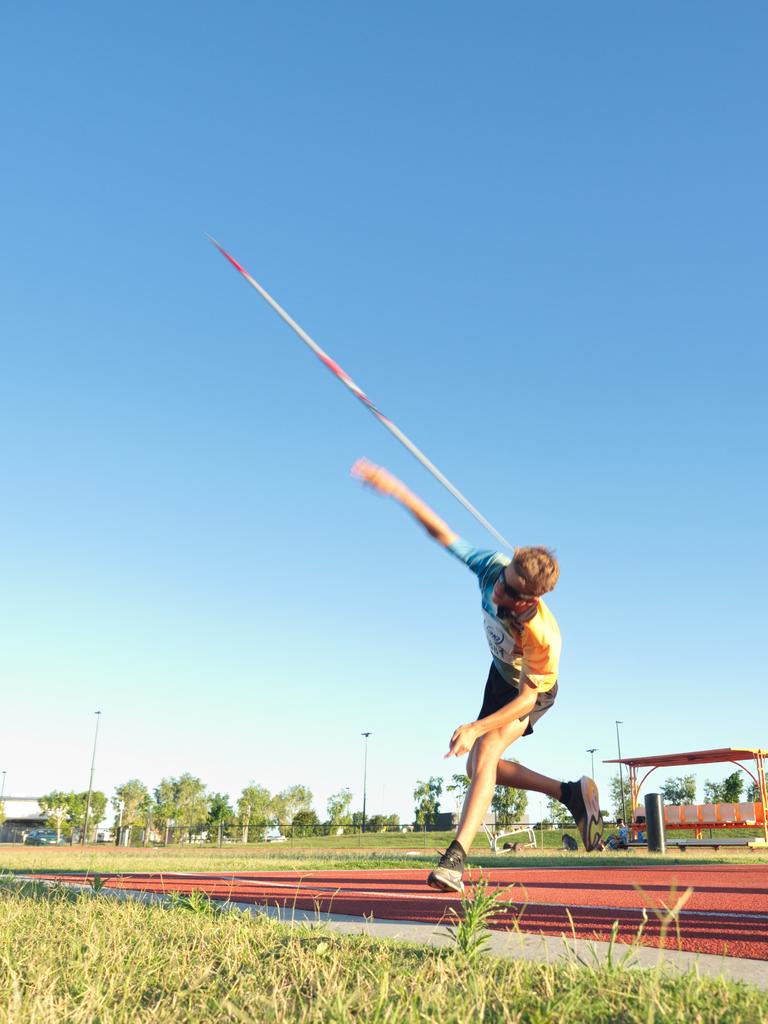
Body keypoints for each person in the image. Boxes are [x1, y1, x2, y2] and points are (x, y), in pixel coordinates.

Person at [352, 458, 604, 893]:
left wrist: (475, 726)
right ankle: (569, 793)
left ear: (528, 601)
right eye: (501, 580)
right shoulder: (493, 567)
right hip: (499, 676)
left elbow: (527, 700)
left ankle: (454, 860)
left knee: (485, 749)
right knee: (478, 767)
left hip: (529, 692)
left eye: (506, 592)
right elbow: (443, 534)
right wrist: (396, 491)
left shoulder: (542, 636)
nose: (495, 591)